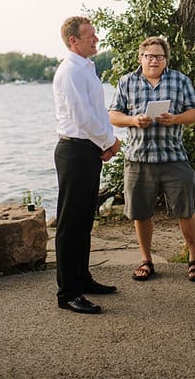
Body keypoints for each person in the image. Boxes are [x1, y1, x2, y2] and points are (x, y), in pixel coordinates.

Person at [108, 36, 195, 283]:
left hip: (173, 156)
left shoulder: (179, 80)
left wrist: (175, 119)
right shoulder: (126, 82)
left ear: (165, 59)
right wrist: (132, 120)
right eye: (149, 56)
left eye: (159, 56)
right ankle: (146, 259)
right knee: (141, 212)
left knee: (186, 209)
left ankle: (194, 258)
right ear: (140, 58)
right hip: (138, 158)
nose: (154, 60)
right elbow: (113, 115)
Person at [52, 16, 121, 314]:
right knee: (70, 224)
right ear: (73, 41)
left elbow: (97, 113)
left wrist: (104, 142)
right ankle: (68, 293)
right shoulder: (69, 71)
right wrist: (109, 142)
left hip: (87, 150)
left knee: (84, 221)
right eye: (90, 36)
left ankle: (83, 278)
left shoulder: (87, 69)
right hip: (74, 151)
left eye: (95, 34)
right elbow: (82, 118)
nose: (96, 39)